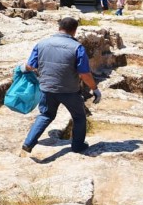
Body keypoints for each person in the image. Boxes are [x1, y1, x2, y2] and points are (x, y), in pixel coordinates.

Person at [20, 17, 102, 154]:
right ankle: (77, 146)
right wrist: (95, 89)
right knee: (79, 117)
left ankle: (28, 143)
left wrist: (21, 68)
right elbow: (84, 74)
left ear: (59, 28)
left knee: (45, 115)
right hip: (69, 91)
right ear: (74, 31)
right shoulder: (77, 47)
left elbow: (30, 66)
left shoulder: (42, 44)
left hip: (46, 89)